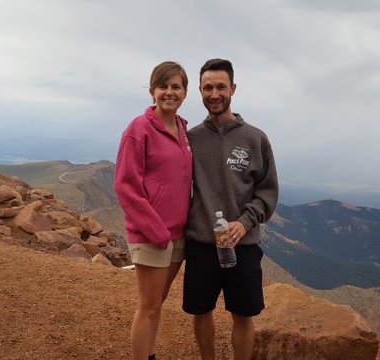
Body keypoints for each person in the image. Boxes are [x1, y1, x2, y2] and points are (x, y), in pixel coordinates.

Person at [182, 58, 279, 360]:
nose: (214, 94)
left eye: (220, 87)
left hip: (243, 244)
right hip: (202, 243)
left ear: (233, 88)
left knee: (243, 315)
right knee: (201, 312)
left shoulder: (255, 138)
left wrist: (246, 221)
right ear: (199, 90)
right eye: (207, 88)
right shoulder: (191, 138)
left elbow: (267, 190)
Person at [114, 61, 192, 360]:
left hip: (177, 235)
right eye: (163, 86)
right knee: (148, 306)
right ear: (152, 91)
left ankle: (148, 354)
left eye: (176, 86)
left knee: (157, 302)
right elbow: (126, 186)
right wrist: (158, 232)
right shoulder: (139, 128)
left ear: (184, 92)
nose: (169, 92)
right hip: (151, 234)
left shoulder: (183, 129)